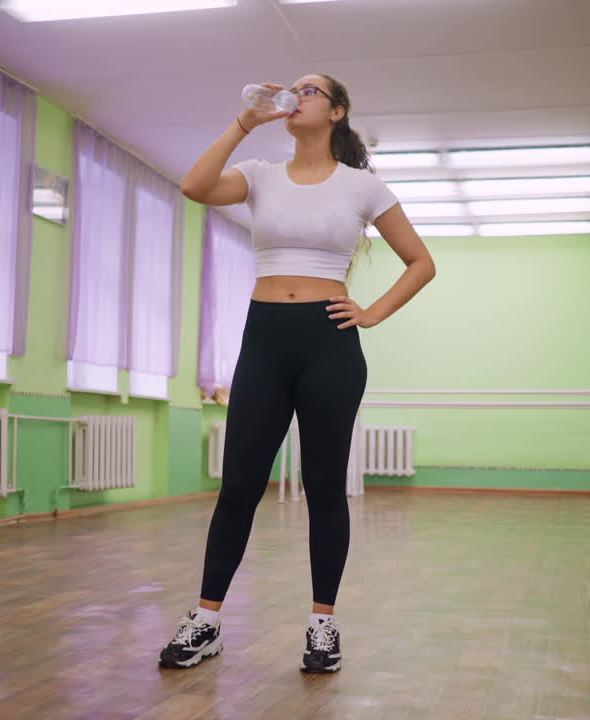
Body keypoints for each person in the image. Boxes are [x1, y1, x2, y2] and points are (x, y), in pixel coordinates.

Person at [159, 73, 435, 674]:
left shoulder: (363, 186)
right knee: (238, 487)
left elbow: (421, 262)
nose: (296, 94)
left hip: (329, 343)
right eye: (295, 88)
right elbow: (194, 186)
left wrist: (371, 313)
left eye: (311, 89)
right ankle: (205, 621)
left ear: (336, 111)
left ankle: (322, 628)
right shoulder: (259, 174)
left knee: (325, 487)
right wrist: (244, 122)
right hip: (264, 340)